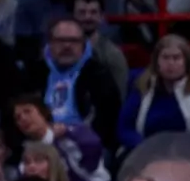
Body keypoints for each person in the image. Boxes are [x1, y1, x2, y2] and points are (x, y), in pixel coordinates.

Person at [23, 17, 122, 153]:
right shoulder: (33, 73)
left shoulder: (99, 74)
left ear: (83, 44)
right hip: (40, 143)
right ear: (50, 43)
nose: (67, 46)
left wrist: (74, 135)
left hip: (86, 146)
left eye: (74, 41)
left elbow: (107, 124)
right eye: (61, 40)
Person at [119, 35, 190, 151]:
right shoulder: (143, 85)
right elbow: (124, 127)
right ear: (157, 62)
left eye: (176, 58)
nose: (170, 63)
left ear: (186, 61)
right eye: (165, 58)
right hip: (146, 151)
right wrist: (142, 144)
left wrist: (188, 147)